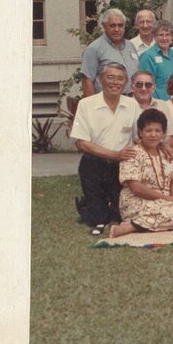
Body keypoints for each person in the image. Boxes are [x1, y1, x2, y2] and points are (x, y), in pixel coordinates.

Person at [100, 108, 173, 237]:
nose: (153, 135)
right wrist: (167, 199)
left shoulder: (166, 153)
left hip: (165, 203)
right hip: (138, 202)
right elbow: (136, 188)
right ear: (140, 132)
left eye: (158, 131)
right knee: (172, 212)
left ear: (163, 133)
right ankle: (132, 226)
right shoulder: (132, 154)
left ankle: (137, 225)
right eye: (148, 130)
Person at [70, 63, 140, 228]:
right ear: (101, 79)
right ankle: (86, 206)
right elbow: (82, 143)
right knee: (99, 220)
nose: (115, 82)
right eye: (110, 77)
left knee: (121, 216)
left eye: (120, 79)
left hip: (120, 167)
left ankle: (96, 204)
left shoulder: (132, 105)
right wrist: (115, 154)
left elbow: (138, 138)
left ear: (126, 83)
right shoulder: (86, 104)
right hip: (93, 165)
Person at [80, 8, 138, 96]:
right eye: (112, 25)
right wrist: (93, 104)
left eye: (120, 25)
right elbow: (87, 80)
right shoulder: (94, 49)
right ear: (104, 26)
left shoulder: (130, 46)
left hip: (131, 99)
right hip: (107, 100)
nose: (117, 29)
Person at [138, 19, 173, 100]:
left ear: (172, 37)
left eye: (167, 34)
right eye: (160, 35)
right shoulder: (148, 56)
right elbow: (146, 86)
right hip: (158, 103)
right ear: (154, 37)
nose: (164, 38)